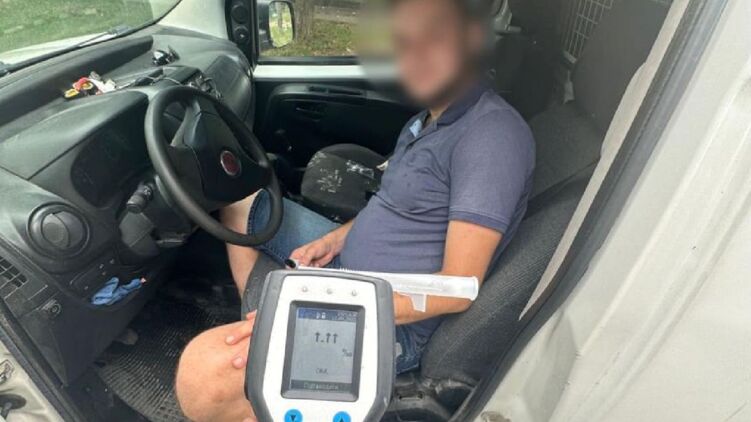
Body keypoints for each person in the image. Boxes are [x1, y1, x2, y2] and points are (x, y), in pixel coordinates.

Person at [175, 0, 535, 420]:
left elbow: (458, 288)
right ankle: (259, 330)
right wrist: (333, 239)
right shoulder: (429, 119)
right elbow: (392, 204)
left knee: (204, 381)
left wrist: (313, 307)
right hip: (347, 271)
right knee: (241, 202)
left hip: (385, 322)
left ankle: (265, 373)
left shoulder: (492, 137)